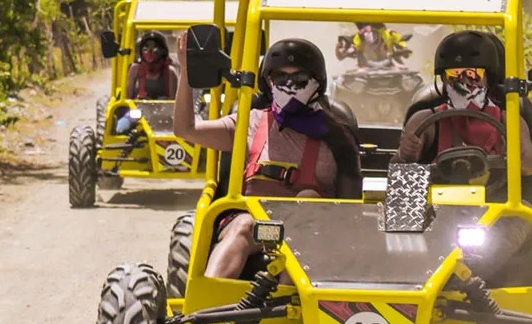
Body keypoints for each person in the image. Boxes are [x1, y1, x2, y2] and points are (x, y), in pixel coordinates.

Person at [174, 36, 362, 280]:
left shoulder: (336, 135)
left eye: (299, 79)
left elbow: (349, 204)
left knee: (307, 202)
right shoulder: (248, 122)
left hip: (311, 232)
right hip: (252, 223)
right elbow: (185, 130)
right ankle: (207, 299)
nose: (289, 85)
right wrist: (186, 74)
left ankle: (288, 307)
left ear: (317, 83)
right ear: (268, 82)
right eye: (281, 78)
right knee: (243, 225)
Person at [394, 30, 532, 205]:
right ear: (443, 79)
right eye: (454, 75)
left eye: (473, 74)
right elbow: (397, 175)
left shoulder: (509, 121)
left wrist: (515, 151)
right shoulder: (425, 120)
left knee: (521, 211)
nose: (464, 82)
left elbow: (529, 169)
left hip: (497, 211)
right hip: (437, 211)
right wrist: (404, 155)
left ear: (488, 78)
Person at [126, 31, 178, 100]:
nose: (150, 52)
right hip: (138, 108)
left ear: (162, 51)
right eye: (146, 48)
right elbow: (128, 98)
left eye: (155, 48)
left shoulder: (170, 71)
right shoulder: (135, 69)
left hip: (162, 109)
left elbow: (173, 101)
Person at [336, 22, 409, 66]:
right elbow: (343, 55)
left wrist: (403, 51)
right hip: (366, 69)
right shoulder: (360, 36)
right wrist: (340, 50)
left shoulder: (390, 34)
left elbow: (405, 51)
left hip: (389, 67)